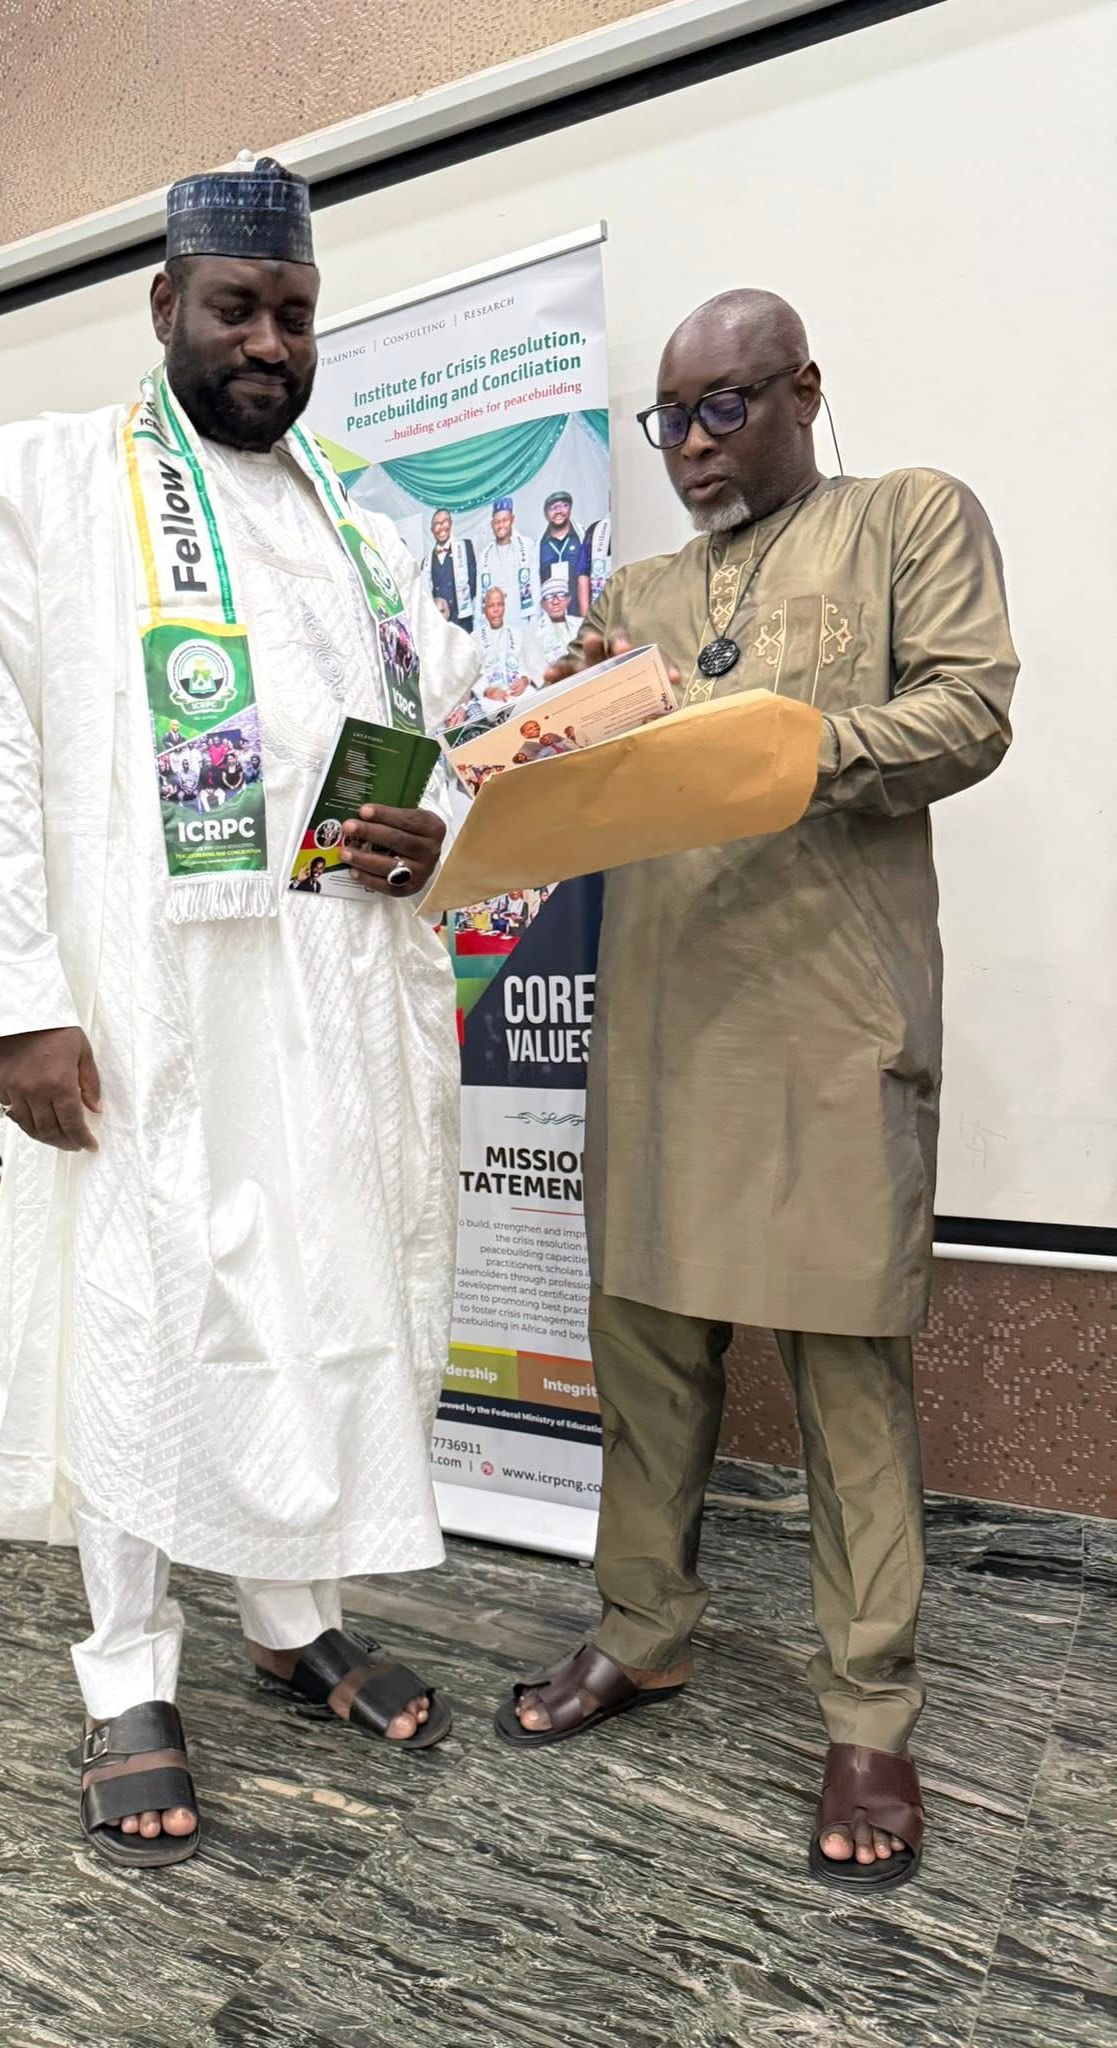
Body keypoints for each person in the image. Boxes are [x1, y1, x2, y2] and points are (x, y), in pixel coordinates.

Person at [0, 152, 480, 1872]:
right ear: (164, 307)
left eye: (295, 312)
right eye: (236, 307)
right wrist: (19, 1005)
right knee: (141, 1317)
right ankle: (129, 1670)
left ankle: (292, 1616)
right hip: (146, 1008)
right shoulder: (55, 491)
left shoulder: (364, 532)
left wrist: (440, 826)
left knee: (327, 1301)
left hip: (335, 1006)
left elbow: (430, 754)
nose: (269, 342)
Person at [495, 288, 1018, 1893]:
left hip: (830, 1020)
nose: (693, 448)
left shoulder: (906, 517)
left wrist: (767, 753)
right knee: (646, 1352)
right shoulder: (639, 593)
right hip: (662, 1024)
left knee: (849, 1376)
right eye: (670, 420)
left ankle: (870, 1712)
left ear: (802, 389)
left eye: (725, 408)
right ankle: (642, 1630)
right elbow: (578, 780)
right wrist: (544, 740)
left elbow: (969, 712)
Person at [476, 586, 546, 707]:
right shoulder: (474, 638)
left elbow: (528, 665)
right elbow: (472, 675)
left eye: (500, 604)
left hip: (519, 693)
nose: (496, 610)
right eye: (491, 606)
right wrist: (487, 690)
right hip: (491, 698)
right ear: (484, 609)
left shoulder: (517, 633)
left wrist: (525, 679)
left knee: (538, 703)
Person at [479, 495, 538, 621]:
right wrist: (479, 624)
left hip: (521, 619)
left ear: (512, 519)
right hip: (495, 622)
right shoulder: (484, 555)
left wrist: (535, 622)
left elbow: (535, 587)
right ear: (492, 525)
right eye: (497, 522)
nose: (501, 525)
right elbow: (480, 595)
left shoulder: (526, 545)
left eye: (505, 520)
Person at [424, 507, 478, 632]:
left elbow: (473, 584)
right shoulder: (426, 562)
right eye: (437, 524)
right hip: (440, 625)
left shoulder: (465, 547)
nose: (441, 527)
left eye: (444, 522)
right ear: (432, 530)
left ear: (451, 524)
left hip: (462, 622)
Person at [537, 490, 588, 617]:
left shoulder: (584, 537)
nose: (559, 511)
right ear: (546, 514)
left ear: (570, 508)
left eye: (564, 505)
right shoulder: (538, 546)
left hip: (579, 615)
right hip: (550, 619)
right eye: (553, 508)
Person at [535, 570, 575, 664]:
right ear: (542, 604)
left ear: (568, 599)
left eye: (561, 595)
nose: (556, 602)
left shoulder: (580, 624)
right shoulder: (537, 634)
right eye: (549, 597)